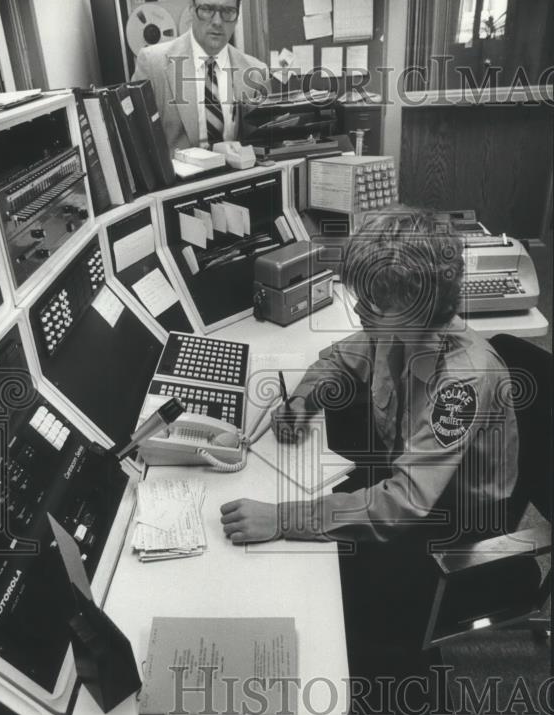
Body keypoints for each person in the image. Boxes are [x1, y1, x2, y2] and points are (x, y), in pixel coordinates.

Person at [220, 211, 518, 549]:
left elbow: (405, 503)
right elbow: (337, 362)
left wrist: (282, 518)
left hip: (454, 527)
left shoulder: (461, 385)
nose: (360, 310)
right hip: (401, 475)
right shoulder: (398, 330)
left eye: (373, 303)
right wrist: (304, 400)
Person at [132, 0, 268, 154]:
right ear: (191, 8)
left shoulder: (256, 73)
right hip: (181, 184)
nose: (217, 21)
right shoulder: (152, 65)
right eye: (207, 9)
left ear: (237, 15)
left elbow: (262, 148)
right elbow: (139, 150)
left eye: (227, 11)